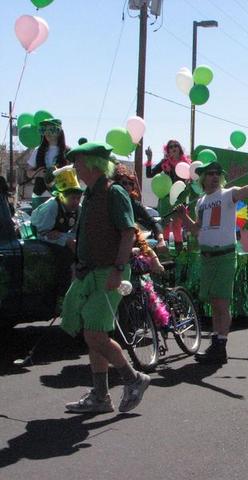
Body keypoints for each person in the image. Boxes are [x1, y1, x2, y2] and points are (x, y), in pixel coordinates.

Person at [61, 141, 150, 414]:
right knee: (91, 333)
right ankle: (101, 397)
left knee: (95, 334)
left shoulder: (115, 193)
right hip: (90, 272)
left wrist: (117, 269)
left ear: (93, 164)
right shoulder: (90, 194)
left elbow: (127, 232)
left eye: (78, 162)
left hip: (109, 272)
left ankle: (134, 379)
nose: (75, 168)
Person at [177, 161, 248, 365]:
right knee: (214, 303)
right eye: (210, 173)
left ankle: (220, 346)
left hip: (225, 256)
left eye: (218, 173)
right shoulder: (201, 202)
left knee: (221, 303)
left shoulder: (228, 194)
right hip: (207, 258)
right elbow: (197, 229)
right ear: (203, 178)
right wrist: (183, 216)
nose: (215, 177)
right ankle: (217, 344)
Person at [30, 165, 83, 299]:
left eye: (78, 198)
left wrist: (65, 238)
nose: (76, 202)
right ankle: (61, 296)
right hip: (43, 240)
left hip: (62, 238)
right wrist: (65, 239)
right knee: (64, 261)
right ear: (62, 196)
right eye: (72, 198)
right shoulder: (52, 206)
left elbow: (76, 232)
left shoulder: (79, 209)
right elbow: (44, 232)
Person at [145, 140, 190, 252]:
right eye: (170, 147)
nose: (173, 148)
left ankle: (179, 254)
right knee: (164, 225)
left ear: (179, 148)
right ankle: (163, 253)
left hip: (179, 198)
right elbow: (149, 174)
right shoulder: (165, 162)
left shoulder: (185, 164)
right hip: (165, 197)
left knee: (176, 226)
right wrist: (150, 159)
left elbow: (193, 178)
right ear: (167, 150)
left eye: (176, 146)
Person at [113, 164, 167, 252]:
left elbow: (153, 223)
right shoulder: (110, 201)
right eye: (124, 183)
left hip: (129, 244)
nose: (128, 186)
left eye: (130, 183)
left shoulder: (135, 204)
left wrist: (161, 240)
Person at [26, 118, 69, 210]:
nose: (47, 133)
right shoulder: (38, 151)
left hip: (61, 195)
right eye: (44, 129)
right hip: (40, 194)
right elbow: (28, 173)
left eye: (51, 129)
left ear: (59, 131)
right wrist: (38, 173)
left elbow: (75, 172)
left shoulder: (68, 151)